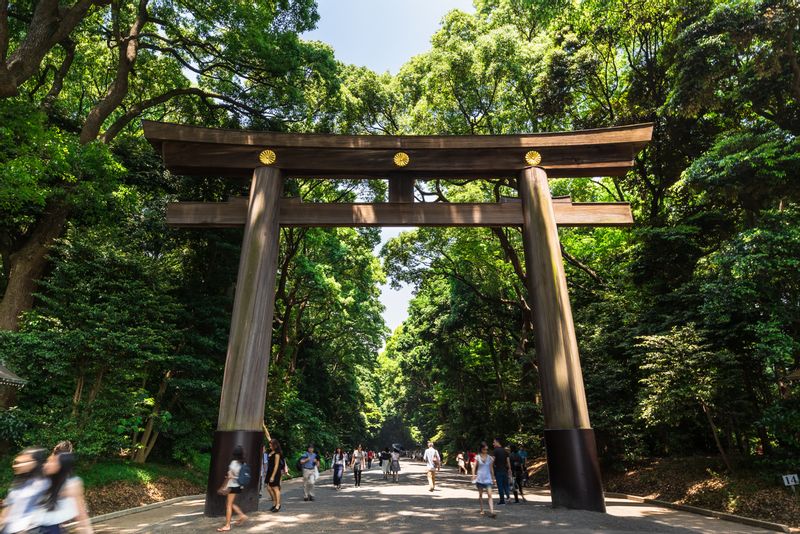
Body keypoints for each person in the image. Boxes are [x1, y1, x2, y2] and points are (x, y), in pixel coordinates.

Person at [38, 452, 93, 533]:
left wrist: (86, 529)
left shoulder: (71, 484)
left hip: (51, 528)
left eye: (53, 461)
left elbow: (80, 510)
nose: (46, 464)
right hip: (38, 527)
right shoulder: (44, 480)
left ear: (61, 466)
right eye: (48, 461)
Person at [0, 447, 49, 533]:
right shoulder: (18, 482)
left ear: (35, 463)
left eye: (24, 462)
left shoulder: (43, 484)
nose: (16, 465)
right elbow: (8, 509)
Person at [216, 445, 247, 532]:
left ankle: (227, 525)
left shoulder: (233, 463)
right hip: (239, 486)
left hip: (232, 486)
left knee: (228, 505)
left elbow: (229, 475)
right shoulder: (243, 463)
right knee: (230, 503)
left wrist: (229, 478)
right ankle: (241, 515)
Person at [471, 442, 497, 518]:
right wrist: (473, 475)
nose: (486, 450)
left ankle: (492, 511)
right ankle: (482, 509)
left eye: (487, 449)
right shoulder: (477, 457)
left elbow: (491, 468)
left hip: (488, 479)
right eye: (484, 449)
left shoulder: (490, 458)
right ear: (481, 449)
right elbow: (474, 466)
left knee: (490, 495)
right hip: (479, 479)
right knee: (481, 495)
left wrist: (493, 478)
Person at [491, 438, 511, 505]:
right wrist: (509, 469)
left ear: (497, 442)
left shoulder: (495, 451)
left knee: (500, 486)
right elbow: (508, 461)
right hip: (505, 470)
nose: (493, 444)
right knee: (506, 485)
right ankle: (508, 498)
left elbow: (492, 461)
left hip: (498, 471)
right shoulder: (505, 451)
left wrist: (491, 467)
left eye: (494, 442)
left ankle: (502, 501)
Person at [265, 439, 283, 512]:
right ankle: (275, 503)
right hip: (269, 471)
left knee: (275, 488)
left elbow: (276, 465)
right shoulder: (271, 452)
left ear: (275, 445)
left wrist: (273, 476)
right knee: (269, 488)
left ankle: (278, 505)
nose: (270, 446)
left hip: (275, 472)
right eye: (269, 445)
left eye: (271, 445)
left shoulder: (277, 454)